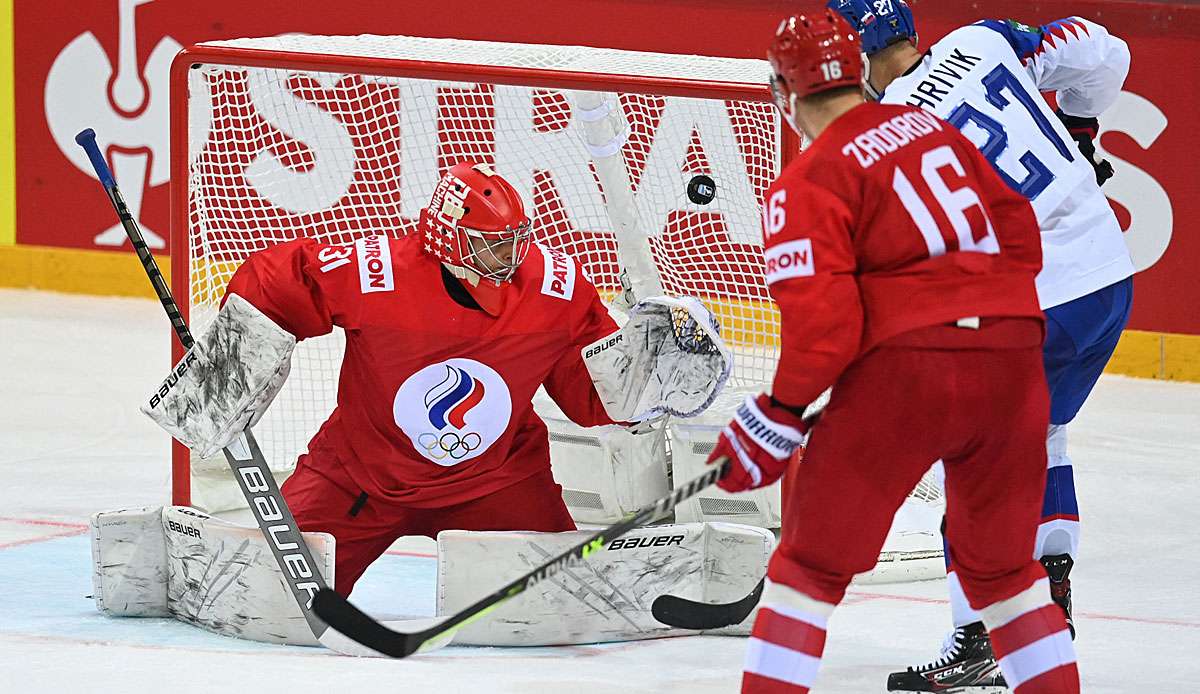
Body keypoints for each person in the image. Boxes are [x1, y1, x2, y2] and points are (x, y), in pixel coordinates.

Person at [707, 10, 1078, 694]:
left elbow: (826, 332)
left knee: (807, 572)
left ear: (783, 93)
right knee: (1006, 577)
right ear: (856, 71)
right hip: (1014, 364)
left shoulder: (808, 181)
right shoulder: (939, 133)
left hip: (907, 377)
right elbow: (1020, 230)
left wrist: (776, 415)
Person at [155, 161, 728, 597]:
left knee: (556, 600)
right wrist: (225, 372)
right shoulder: (378, 273)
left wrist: (645, 384)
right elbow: (277, 280)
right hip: (358, 479)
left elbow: (587, 394)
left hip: (496, 484)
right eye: (492, 244)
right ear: (448, 241)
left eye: (515, 239)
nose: (511, 256)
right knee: (268, 595)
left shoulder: (555, 287)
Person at [828, 1, 1135, 688]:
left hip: (1036, 307)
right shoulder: (986, 39)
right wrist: (1080, 126)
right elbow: (1107, 52)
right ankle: (1046, 601)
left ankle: (981, 636)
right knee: (1044, 436)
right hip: (1109, 281)